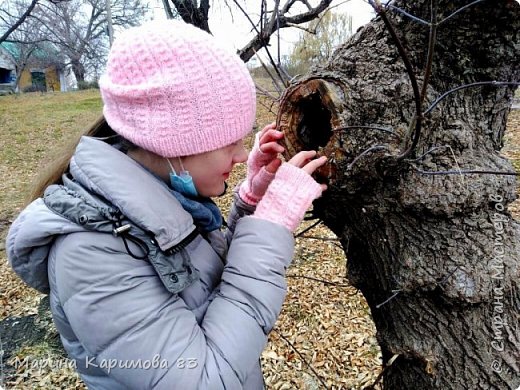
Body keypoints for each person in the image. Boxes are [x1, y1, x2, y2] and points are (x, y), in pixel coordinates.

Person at [6, 20, 327, 389]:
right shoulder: (91, 253)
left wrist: (252, 203)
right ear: (171, 144)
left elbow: (206, 286)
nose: (241, 155)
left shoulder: (153, 203)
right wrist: (271, 226)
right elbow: (206, 379)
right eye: (229, 143)